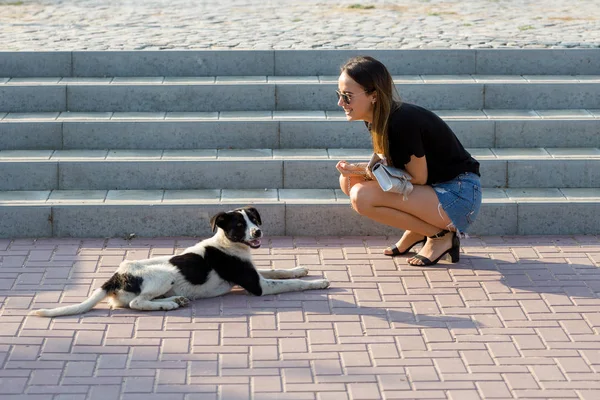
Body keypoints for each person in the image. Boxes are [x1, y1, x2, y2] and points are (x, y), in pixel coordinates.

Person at [335, 56, 482, 266]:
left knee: (362, 196)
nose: (341, 102)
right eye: (339, 94)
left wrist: (365, 172)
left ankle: (440, 237)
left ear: (374, 96)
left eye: (347, 96)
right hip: (437, 191)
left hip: (459, 196)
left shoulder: (401, 122)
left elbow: (417, 178)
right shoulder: (377, 119)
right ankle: (418, 231)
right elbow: (391, 168)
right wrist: (355, 170)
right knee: (349, 181)